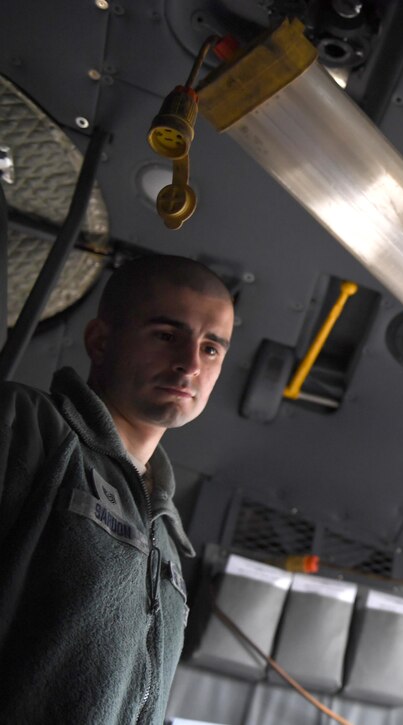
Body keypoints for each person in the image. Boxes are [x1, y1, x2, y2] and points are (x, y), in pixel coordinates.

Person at [0, 255, 234, 723]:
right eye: (167, 336)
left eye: (211, 348)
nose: (189, 364)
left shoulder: (166, 534)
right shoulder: (27, 427)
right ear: (101, 341)